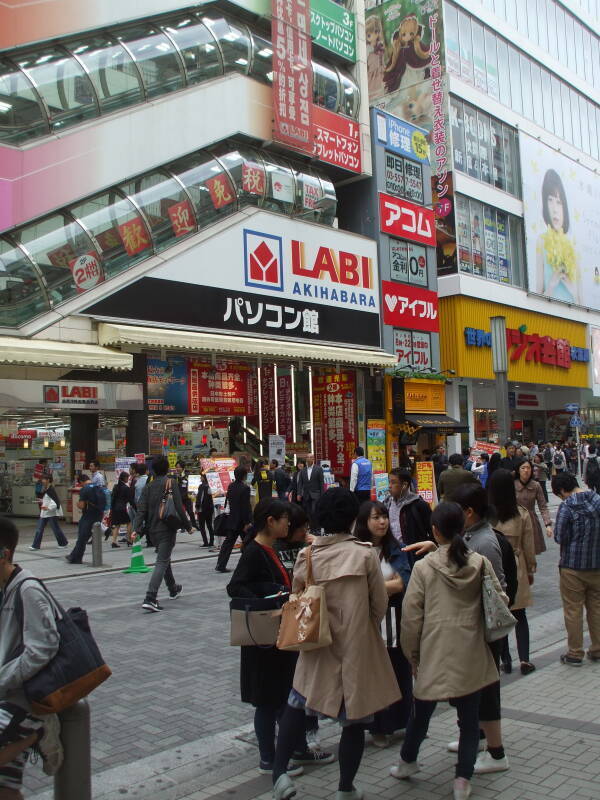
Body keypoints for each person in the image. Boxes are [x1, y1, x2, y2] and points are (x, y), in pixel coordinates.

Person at [271, 488, 401, 800]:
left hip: (317, 642)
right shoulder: (365, 554)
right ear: (351, 519)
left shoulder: (308, 555)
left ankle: (279, 774)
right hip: (356, 643)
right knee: (354, 717)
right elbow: (378, 603)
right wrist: (361, 626)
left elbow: (298, 597)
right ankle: (346, 788)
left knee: (298, 701)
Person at [392, 502, 503, 800]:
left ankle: (407, 761)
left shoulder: (424, 567)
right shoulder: (478, 562)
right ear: (462, 528)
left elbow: (411, 617)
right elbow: (498, 597)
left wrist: (411, 655)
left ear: (435, 531)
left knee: (421, 711)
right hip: (472, 649)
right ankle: (462, 780)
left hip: (433, 649)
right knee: (469, 721)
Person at [227, 499, 333, 776]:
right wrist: (273, 593)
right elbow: (236, 587)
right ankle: (269, 759)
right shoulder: (254, 551)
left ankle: (296, 749)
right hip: (262, 639)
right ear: (270, 521)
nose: (288, 523)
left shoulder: (269, 549)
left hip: (277, 636)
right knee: (267, 700)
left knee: (285, 697)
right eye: (284, 518)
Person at [0, 518, 64, 798]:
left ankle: (39, 733)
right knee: (6, 786)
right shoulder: (4, 587)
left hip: (25, 698)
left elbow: (44, 646)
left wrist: (2, 678)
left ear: (4, 554)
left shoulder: (27, 589)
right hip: (9, 693)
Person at [355, 501, 413, 747]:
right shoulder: (357, 550)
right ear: (364, 522)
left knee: (399, 671)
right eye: (375, 518)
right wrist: (387, 586)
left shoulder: (394, 547)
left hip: (395, 620)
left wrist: (376, 588)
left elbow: (404, 582)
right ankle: (378, 727)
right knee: (374, 675)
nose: (382, 522)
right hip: (368, 623)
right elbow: (357, 590)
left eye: (384, 517)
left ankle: (401, 723)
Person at [488, 469, 537, 675]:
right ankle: (525, 659)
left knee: (501, 615)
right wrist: (531, 568)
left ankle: (505, 659)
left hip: (493, 567)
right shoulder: (521, 513)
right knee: (520, 614)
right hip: (517, 565)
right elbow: (528, 545)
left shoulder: (488, 516)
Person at [551, 472, 600, 666]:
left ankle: (575, 652)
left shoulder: (567, 506)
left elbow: (559, 537)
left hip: (572, 566)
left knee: (573, 610)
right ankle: (597, 649)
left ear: (563, 490)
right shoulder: (597, 500)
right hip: (596, 564)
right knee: (596, 608)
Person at [133, 456, 192, 612]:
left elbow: (141, 510)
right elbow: (179, 507)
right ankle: (150, 597)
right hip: (167, 527)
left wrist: (136, 529)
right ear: (167, 468)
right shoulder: (171, 483)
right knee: (161, 561)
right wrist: (188, 526)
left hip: (152, 531)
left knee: (164, 558)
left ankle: (173, 588)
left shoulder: (148, 486)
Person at [385, 469, 432, 559]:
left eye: (393, 482)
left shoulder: (419, 505)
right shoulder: (387, 503)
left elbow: (431, 530)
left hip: (414, 555)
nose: (389, 486)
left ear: (404, 485)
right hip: (392, 552)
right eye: (389, 482)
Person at [215, 466, 252, 573]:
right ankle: (249, 565)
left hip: (232, 519)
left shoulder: (231, 486)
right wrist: (247, 522)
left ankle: (220, 564)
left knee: (228, 543)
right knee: (248, 543)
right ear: (244, 476)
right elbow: (246, 506)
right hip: (242, 521)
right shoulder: (245, 488)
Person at [514, 458, 553, 555]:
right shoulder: (512, 485)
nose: (526, 470)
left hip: (532, 521)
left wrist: (547, 524)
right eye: (523, 468)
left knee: (531, 552)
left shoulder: (536, 485)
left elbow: (543, 506)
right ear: (518, 470)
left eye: (528, 468)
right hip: (516, 521)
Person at [65, 474, 105, 564]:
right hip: (98, 515)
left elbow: (82, 505)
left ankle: (76, 558)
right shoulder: (99, 487)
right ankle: (73, 555)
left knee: (82, 537)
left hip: (88, 516)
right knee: (84, 537)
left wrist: (77, 504)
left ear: (81, 482)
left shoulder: (85, 489)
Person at [29, 474, 68, 551]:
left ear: (48, 480)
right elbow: (50, 500)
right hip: (46, 513)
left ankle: (63, 543)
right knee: (42, 529)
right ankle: (36, 545)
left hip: (50, 513)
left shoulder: (50, 489)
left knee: (53, 529)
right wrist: (42, 501)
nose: (42, 481)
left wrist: (48, 507)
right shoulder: (47, 489)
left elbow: (55, 502)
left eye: (44, 479)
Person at [296, 454, 325, 531]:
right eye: (308, 457)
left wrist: (322, 495)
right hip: (306, 494)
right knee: (308, 512)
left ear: (313, 459)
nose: (309, 459)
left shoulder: (319, 469)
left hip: (316, 494)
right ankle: (312, 528)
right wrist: (299, 493)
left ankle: (317, 528)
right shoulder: (303, 470)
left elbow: (321, 483)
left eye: (311, 457)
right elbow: (300, 483)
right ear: (306, 459)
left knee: (314, 510)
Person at [107, 471, 131, 548]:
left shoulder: (115, 486)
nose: (128, 479)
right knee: (129, 522)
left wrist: (112, 508)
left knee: (117, 525)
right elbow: (129, 499)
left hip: (115, 508)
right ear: (124, 478)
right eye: (127, 477)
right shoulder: (126, 488)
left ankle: (114, 541)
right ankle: (128, 539)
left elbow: (113, 498)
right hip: (122, 508)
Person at [175, 461, 198, 531]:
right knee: (180, 512)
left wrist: (193, 496)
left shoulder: (188, 475)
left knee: (190, 511)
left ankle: (194, 525)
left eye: (179, 467)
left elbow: (192, 485)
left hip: (187, 496)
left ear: (183, 467)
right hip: (179, 497)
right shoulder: (175, 476)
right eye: (176, 467)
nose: (177, 468)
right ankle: (182, 526)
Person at [195, 473, 214, 547]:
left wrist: (197, 507)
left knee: (202, 527)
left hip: (202, 509)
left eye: (201, 477)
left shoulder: (202, 486)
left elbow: (199, 498)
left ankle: (205, 542)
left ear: (204, 478)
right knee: (209, 526)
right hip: (209, 509)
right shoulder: (210, 486)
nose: (200, 478)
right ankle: (211, 542)